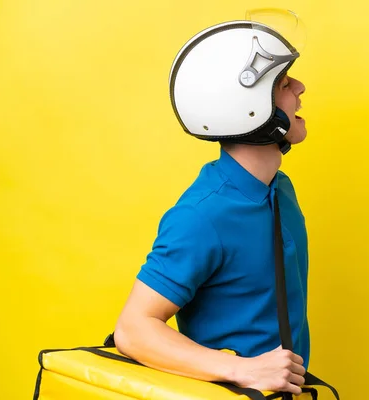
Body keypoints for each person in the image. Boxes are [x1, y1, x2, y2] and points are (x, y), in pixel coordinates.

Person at [113, 17, 311, 396]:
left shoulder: (279, 189)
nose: (301, 88)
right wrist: (245, 370)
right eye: (285, 84)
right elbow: (133, 329)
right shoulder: (203, 216)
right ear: (248, 108)